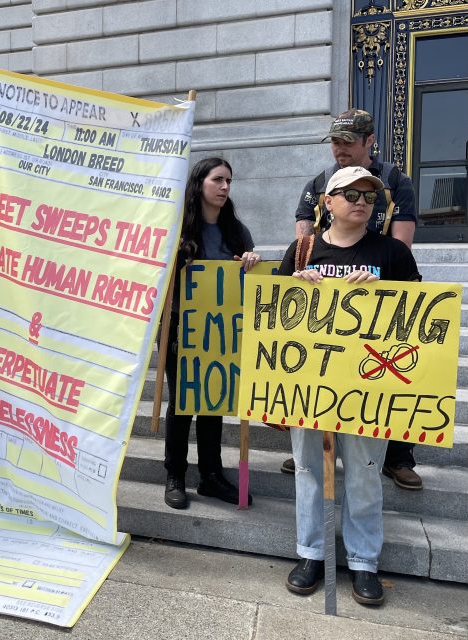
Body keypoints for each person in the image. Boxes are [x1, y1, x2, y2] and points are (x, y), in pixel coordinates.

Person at [278, 165, 421, 606]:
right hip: (311, 386)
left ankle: (363, 561)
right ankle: (311, 553)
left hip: (368, 388)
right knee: (308, 471)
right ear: (328, 202)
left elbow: (419, 317)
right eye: (351, 194)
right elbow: (275, 315)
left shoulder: (393, 253)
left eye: (369, 196)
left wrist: (386, 292)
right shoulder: (302, 250)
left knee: (364, 475)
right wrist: (296, 286)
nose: (362, 202)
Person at [289, 109, 422, 490]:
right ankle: (312, 438)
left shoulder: (395, 182)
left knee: (386, 375)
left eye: (348, 141)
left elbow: (401, 246)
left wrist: (378, 274)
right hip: (327, 303)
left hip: (376, 290)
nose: (339, 148)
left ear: (370, 141)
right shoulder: (319, 183)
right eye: (335, 141)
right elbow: (304, 241)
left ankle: (397, 456)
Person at [162, 157, 261, 510]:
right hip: (182, 325)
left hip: (221, 327)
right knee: (183, 401)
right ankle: (175, 475)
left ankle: (211, 475)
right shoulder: (177, 229)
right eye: (217, 180)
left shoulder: (237, 231)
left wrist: (251, 263)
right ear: (199, 183)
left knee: (212, 400)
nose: (224, 187)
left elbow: (248, 278)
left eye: (229, 181)